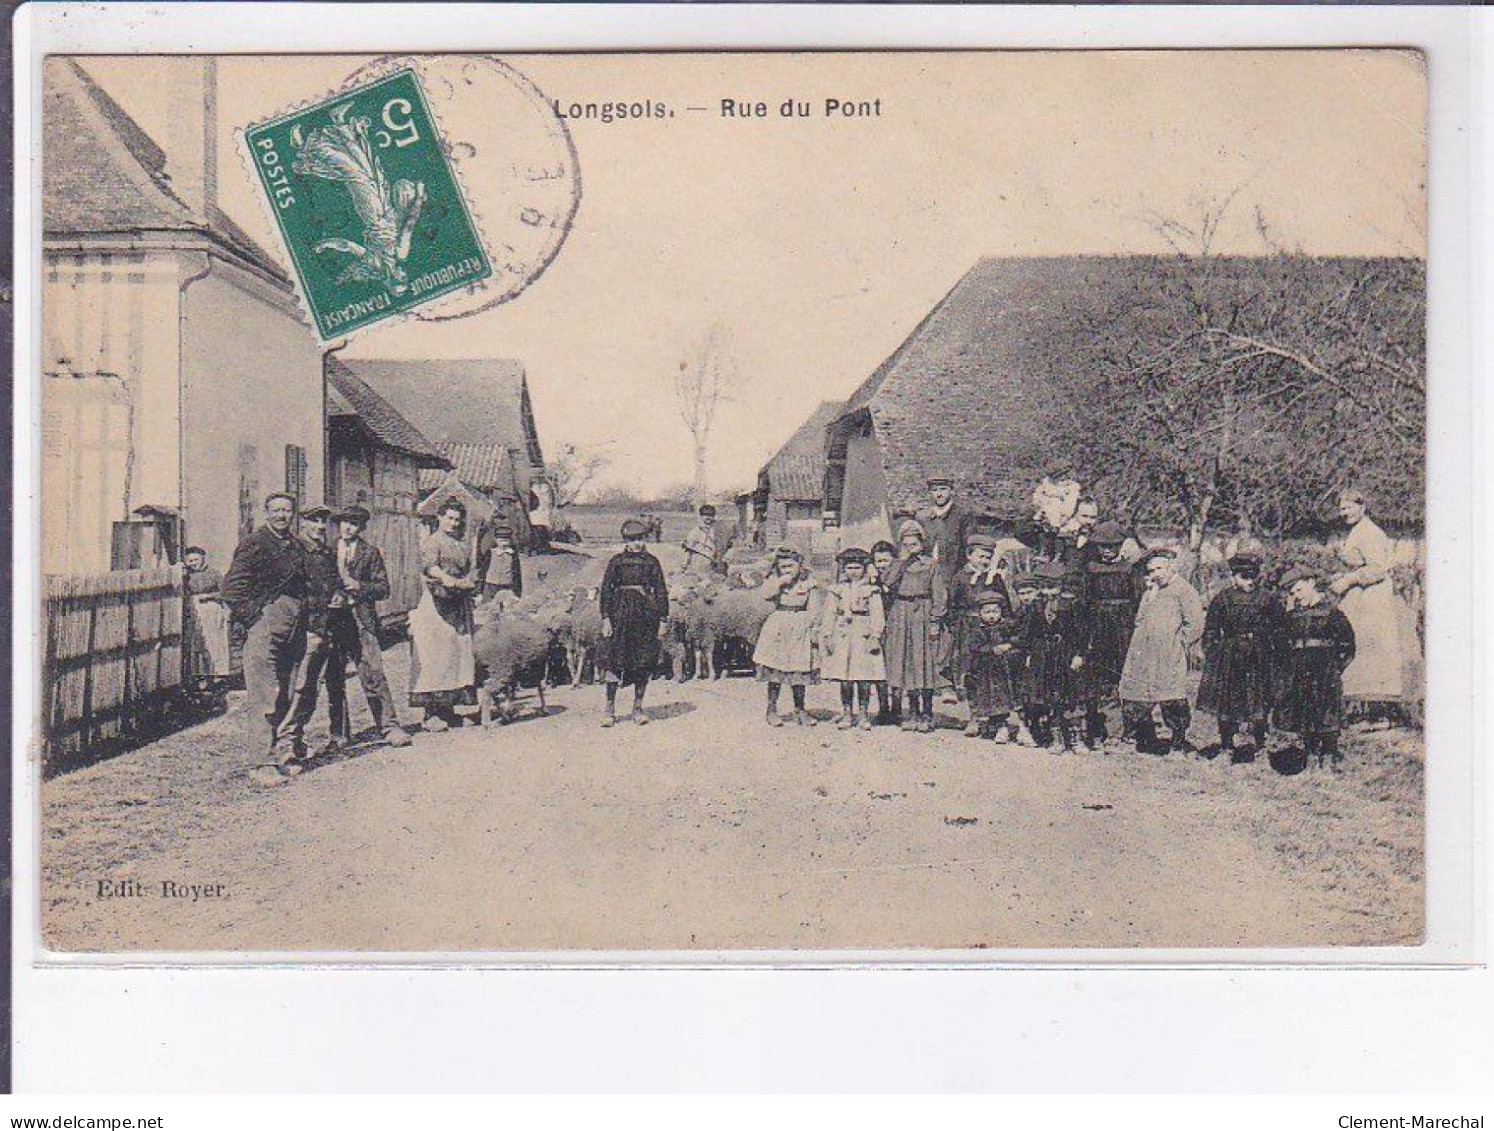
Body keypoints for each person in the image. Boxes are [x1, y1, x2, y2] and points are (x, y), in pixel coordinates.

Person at [221, 492, 310, 774]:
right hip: (265, 627)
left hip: (293, 627)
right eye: (276, 510)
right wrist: (256, 620)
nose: (282, 516)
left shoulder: (296, 545)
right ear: (266, 512)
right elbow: (232, 589)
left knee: (284, 693)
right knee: (264, 696)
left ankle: (280, 755)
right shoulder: (255, 544)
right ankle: (261, 763)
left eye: (287, 510)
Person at [329, 505, 412, 748]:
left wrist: (359, 586)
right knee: (334, 677)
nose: (348, 527)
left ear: (361, 527)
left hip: (361, 620)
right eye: (344, 522)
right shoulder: (328, 550)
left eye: (354, 523)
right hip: (335, 620)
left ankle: (389, 727)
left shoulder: (370, 552)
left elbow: (383, 588)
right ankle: (339, 733)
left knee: (373, 673)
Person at [1330, 488, 1411, 718]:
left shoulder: (1370, 532)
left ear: (1361, 506)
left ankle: (1379, 713)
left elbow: (1377, 569)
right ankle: (1364, 710)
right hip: (1361, 596)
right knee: (1357, 649)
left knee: (1369, 649)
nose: (1342, 513)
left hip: (1372, 600)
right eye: (1341, 508)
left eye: (1347, 507)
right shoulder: (1358, 531)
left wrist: (1347, 580)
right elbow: (1361, 564)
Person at [1118, 547, 1206, 754]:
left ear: (1170, 568)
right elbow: (1139, 620)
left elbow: (1195, 623)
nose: (1156, 574)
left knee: (1171, 696)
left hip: (1169, 654)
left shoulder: (1183, 590)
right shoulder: (1151, 591)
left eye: (1160, 568)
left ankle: (1177, 743)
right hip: (1143, 653)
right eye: (1151, 570)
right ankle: (1134, 739)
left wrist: (1178, 643)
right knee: (1137, 693)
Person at [1197, 550, 1281, 761]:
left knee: (1258, 700)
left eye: (1253, 576)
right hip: (1230, 656)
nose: (1249, 581)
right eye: (1244, 576)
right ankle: (1227, 745)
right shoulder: (1223, 599)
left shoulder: (1267, 599)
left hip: (1258, 656)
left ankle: (1260, 745)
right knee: (1227, 702)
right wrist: (1213, 653)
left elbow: (1280, 628)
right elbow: (1211, 629)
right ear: (1234, 576)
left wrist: (1272, 650)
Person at [1275, 566, 1357, 770]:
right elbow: (1282, 645)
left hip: (1325, 673)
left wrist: (1336, 667)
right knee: (1305, 713)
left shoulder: (1332, 613)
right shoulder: (1292, 617)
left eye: (1299, 590)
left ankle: (1328, 754)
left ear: (1311, 583)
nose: (1296, 597)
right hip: (1300, 673)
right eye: (1292, 594)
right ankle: (1310, 753)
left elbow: (1348, 645)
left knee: (1327, 715)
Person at [284, 505, 350, 756]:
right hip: (306, 628)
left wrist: (340, 595)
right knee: (300, 686)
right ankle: (288, 741)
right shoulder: (295, 551)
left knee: (314, 688)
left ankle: (298, 740)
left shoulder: (326, 552)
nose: (320, 526)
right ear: (303, 523)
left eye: (323, 522)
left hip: (327, 627)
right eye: (314, 521)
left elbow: (337, 583)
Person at [409, 498, 479, 732]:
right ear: (439, 517)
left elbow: (470, 567)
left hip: (458, 603)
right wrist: (445, 577)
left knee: (456, 656)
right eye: (449, 518)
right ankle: (430, 715)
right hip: (435, 605)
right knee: (435, 657)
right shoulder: (432, 541)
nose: (453, 523)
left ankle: (449, 710)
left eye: (457, 520)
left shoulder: (461, 544)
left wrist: (469, 581)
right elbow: (430, 566)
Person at [1075, 520, 1144, 749]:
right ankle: (1098, 729)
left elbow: (1138, 602)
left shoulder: (1130, 570)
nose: (1107, 551)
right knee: (1097, 679)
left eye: (1112, 546)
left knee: (1124, 678)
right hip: (1097, 629)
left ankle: (1127, 732)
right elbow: (1083, 604)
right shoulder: (1090, 571)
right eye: (1102, 547)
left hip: (1123, 629)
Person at [598, 518, 670, 726]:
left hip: (646, 616)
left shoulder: (652, 562)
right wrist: (606, 618)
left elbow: (661, 591)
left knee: (643, 661)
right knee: (613, 659)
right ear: (626, 540)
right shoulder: (616, 561)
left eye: (641, 538)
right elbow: (606, 590)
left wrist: (663, 619)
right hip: (619, 615)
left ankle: (638, 708)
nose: (637, 543)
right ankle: (609, 710)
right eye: (633, 539)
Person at [881, 519, 947, 734]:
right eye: (906, 544)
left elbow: (939, 594)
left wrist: (936, 619)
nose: (911, 548)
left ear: (922, 542)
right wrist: (901, 561)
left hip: (922, 613)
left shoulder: (930, 565)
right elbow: (887, 582)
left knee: (923, 662)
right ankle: (911, 711)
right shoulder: (896, 564)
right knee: (904, 661)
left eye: (914, 544)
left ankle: (927, 713)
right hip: (900, 613)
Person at [1018, 562, 1088, 751]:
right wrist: (1028, 654)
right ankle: (1056, 737)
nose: (1048, 592)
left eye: (1052, 587)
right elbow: (1027, 633)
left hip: (1065, 652)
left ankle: (1076, 738)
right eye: (1043, 588)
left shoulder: (1072, 605)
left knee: (1070, 694)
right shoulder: (1036, 606)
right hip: (1043, 653)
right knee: (1051, 695)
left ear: (1061, 585)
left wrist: (1079, 655)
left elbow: (1081, 633)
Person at [753, 546, 823, 727]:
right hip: (779, 626)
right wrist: (780, 580)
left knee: (799, 671)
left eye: (790, 566)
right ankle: (772, 710)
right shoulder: (776, 582)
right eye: (783, 567)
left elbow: (815, 608)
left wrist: (814, 627)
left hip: (800, 626)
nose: (787, 570)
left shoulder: (809, 583)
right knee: (775, 671)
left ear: (800, 565)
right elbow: (765, 594)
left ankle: (800, 710)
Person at [819, 547, 885, 731]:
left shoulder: (871, 590)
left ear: (864, 568)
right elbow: (829, 613)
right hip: (843, 633)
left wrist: (875, 635)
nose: (853, 572)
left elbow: (877, 614)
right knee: (845, 677)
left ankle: (863, 713)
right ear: (843, 570)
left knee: (863, 676)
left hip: (862, 634)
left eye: (857, 568)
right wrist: (827, 635)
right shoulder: (837, 589)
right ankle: (847, 712)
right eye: (849, 568)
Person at [943, 533, 1010, 714]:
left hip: (989, 630)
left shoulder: (994, 578)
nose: (985, 561)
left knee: (989, 670)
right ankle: (973, 714)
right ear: (969, 555)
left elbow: (1005, 604)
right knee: (969, 672)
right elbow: (951, 604)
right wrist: (955, 625)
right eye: (981, 556)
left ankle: (995, 714)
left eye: (988, 557)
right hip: (966, 630)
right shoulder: (960, 577)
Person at [965, 590, 1024, 741]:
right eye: (987, 612)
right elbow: (974, 646)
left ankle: (1001, 726)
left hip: (1001, 670)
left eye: (995, 611)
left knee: (1001, 696)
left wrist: (1009, 645)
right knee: (983, 695)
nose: (991, 616)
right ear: (980, 613)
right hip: (982, 669)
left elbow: (1015, 639)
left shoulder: (1005, 627)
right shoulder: (977, 629)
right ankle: (982, 722)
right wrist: (991, 649)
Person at [183, 545, 231, 695]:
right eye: (190, 560)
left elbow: (225, 592)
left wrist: (210, 596)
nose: (193, 563)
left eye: (195, 559)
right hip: (194, 611)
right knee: (197, 644)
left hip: (212, 609)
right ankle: (200, 677)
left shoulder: (214, 574)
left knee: (214, 643)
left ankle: (218, 677)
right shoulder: (185, 577)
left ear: (203, 558)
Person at [867, 539, 900, 725]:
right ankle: (883, 707)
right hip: (878, 627)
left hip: (896, 627)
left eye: (885, 561)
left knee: (895, 666)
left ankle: (896, 708)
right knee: (878, 667)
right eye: (878, 561)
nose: (881, 565)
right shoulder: (871, 580)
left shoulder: (899, 579)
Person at [917, 475, 972, 582]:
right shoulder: (923, 517)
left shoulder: (962, 515)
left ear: (951, 490)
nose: (939, 494)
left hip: (953, 572)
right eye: (934, 490)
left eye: (943, 489)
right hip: (929, 573)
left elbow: (969, 546)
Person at [476, 519, 523, 614]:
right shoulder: (490, 553)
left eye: (507, 540)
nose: (504, 543)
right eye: (501, 540)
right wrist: (479, 591)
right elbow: (483, 572)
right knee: (490, 610)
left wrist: (517, 592)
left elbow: (517, 573)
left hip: (507, 586)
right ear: (496, 540)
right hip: (490, 586)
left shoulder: (513, 555)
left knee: (507, 610)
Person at [681, 504, 727, 577]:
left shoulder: (717, 530)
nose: (708, 518)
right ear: (701, 516)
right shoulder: (695, 531)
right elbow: (688, 550)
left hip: (713, 563)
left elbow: (721, 547)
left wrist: (719, 561)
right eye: (705, 515)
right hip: (699, 562)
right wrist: (684, 565)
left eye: (711, 515)